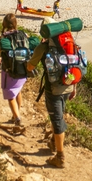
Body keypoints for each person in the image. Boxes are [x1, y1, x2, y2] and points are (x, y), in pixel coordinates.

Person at [26, 37, 71, 169]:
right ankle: (53, 142)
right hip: (68, 85)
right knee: (58, 115)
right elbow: (73, 65)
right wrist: (74, 88)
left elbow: (30, 66)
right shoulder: (68, 43)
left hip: (53, 90)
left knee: (57, 120)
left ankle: (60, 157)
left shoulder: (43, 47)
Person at [0, 13, 26, 127]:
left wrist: (0, 57)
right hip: (23, 69)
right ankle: (16, 114)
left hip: (10, 71)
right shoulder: (23, 34)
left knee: (10, 95)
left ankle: (17, 118)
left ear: (4, 24)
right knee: (18, 91)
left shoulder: (3, 38)